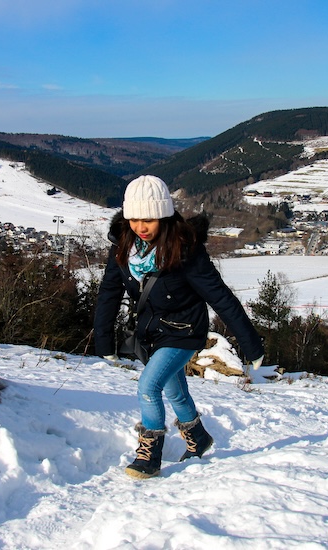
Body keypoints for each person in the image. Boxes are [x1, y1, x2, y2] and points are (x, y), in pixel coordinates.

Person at [94, 175, 264, 479]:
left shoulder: (186, 249)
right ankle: (198, 439)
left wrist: (251, 343)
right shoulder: (123, 247)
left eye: (148, 219)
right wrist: (104, 341)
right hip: (152, 332)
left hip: (185, 331)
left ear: (164, 215)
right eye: (134, 218)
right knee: (174, 390)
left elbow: (220, 297)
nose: (140, 226)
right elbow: (109, 292)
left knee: (148, 386)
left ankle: (150, 454)